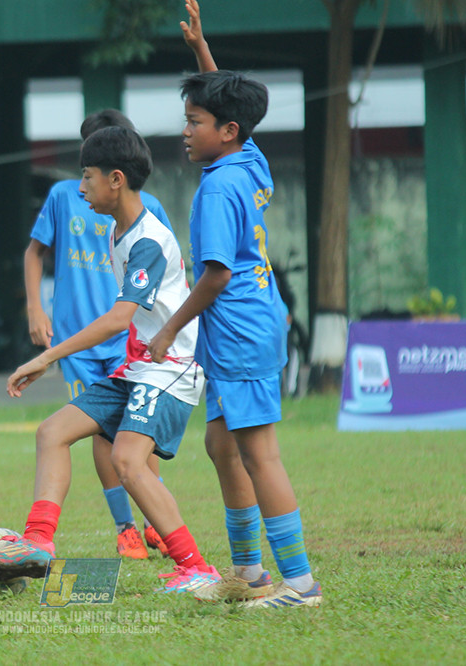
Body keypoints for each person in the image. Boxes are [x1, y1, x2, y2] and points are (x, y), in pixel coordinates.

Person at [0, 125, 219, 593]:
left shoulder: (147, 240)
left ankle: (196, 567)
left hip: (170, 370)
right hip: (138, 369)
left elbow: (117, 319)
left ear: (116, 179)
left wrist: (46, 357)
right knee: (52, 433)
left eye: (87, 176)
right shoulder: (117, 231)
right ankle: (37, 543)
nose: (81, 187)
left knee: (127, 461)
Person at [147, 61, 322, 608]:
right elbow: (233, 105)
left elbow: (216, 274)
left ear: (226, 131)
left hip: (241, 333)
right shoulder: (247, 158)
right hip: (245, 329)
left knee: (259, 455)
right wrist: (203, 53)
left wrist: (168, 329)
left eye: (194, 121)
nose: (185, 131)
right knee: (221, 445)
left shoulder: (220, 187)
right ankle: (248, 573)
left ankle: (300, 585)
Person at [24, 109, 173, 560]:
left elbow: (167, 275)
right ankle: (126, 527)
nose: (85, 182)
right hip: (78, 338)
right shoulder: (65, 196)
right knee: (98, 430)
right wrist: (36, 307)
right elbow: (34, 252)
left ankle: (156, 522)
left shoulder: (146, 212)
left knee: (137, 429)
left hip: (128, 337)